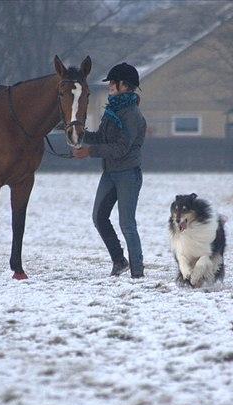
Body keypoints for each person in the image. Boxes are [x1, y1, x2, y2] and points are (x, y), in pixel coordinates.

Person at [73, 62, 147, 278]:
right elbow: (101, 138)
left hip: (128, 175)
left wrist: (90, 152)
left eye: (112, 83)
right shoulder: (113, 109)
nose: (109, 86)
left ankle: (137, 272)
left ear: (124, 85)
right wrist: (79, 133)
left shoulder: (131, 114)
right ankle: (119, 261)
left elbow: (121, 148)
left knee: (127, 224)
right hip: (110, 172)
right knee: (99, 217)